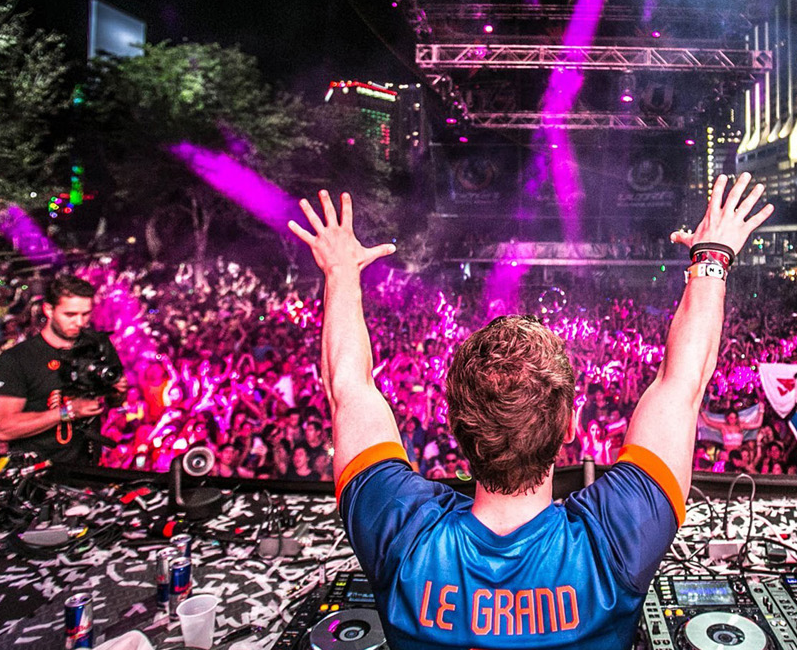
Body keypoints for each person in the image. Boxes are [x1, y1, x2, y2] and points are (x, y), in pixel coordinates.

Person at [288, 175, 772, 649]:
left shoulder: (400, 531)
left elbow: (347, 387)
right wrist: (711, 258)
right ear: (570, 426)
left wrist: (340, 272)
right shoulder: (618, 537)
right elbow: (683, 382)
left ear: (455, 426)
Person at [0, 275, 126, 463]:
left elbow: (115, 401)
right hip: (37, 470)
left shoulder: (98, 345)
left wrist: (118, 391)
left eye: (85, 314)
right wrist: (67, 412)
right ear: (49, 310)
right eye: (70, 315)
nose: (80, 322)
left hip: (87, 466)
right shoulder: (17, 359)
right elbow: (3, 429)